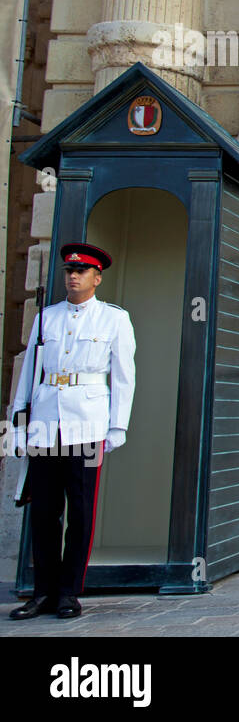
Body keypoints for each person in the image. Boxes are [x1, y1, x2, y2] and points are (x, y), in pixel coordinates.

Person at [8, 242, 136, 620]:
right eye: (69, 271)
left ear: (97, 278)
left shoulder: (113, 319)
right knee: (45, 512)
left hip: (87, 423)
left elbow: (123, 377)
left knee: (80, 510)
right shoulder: (46, 318)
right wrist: (18, 427)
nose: (73, 276)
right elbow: (29, 375)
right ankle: (43, 591)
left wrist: (117, 425)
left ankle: (68, 592)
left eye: (81, 272)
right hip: (46, 426)